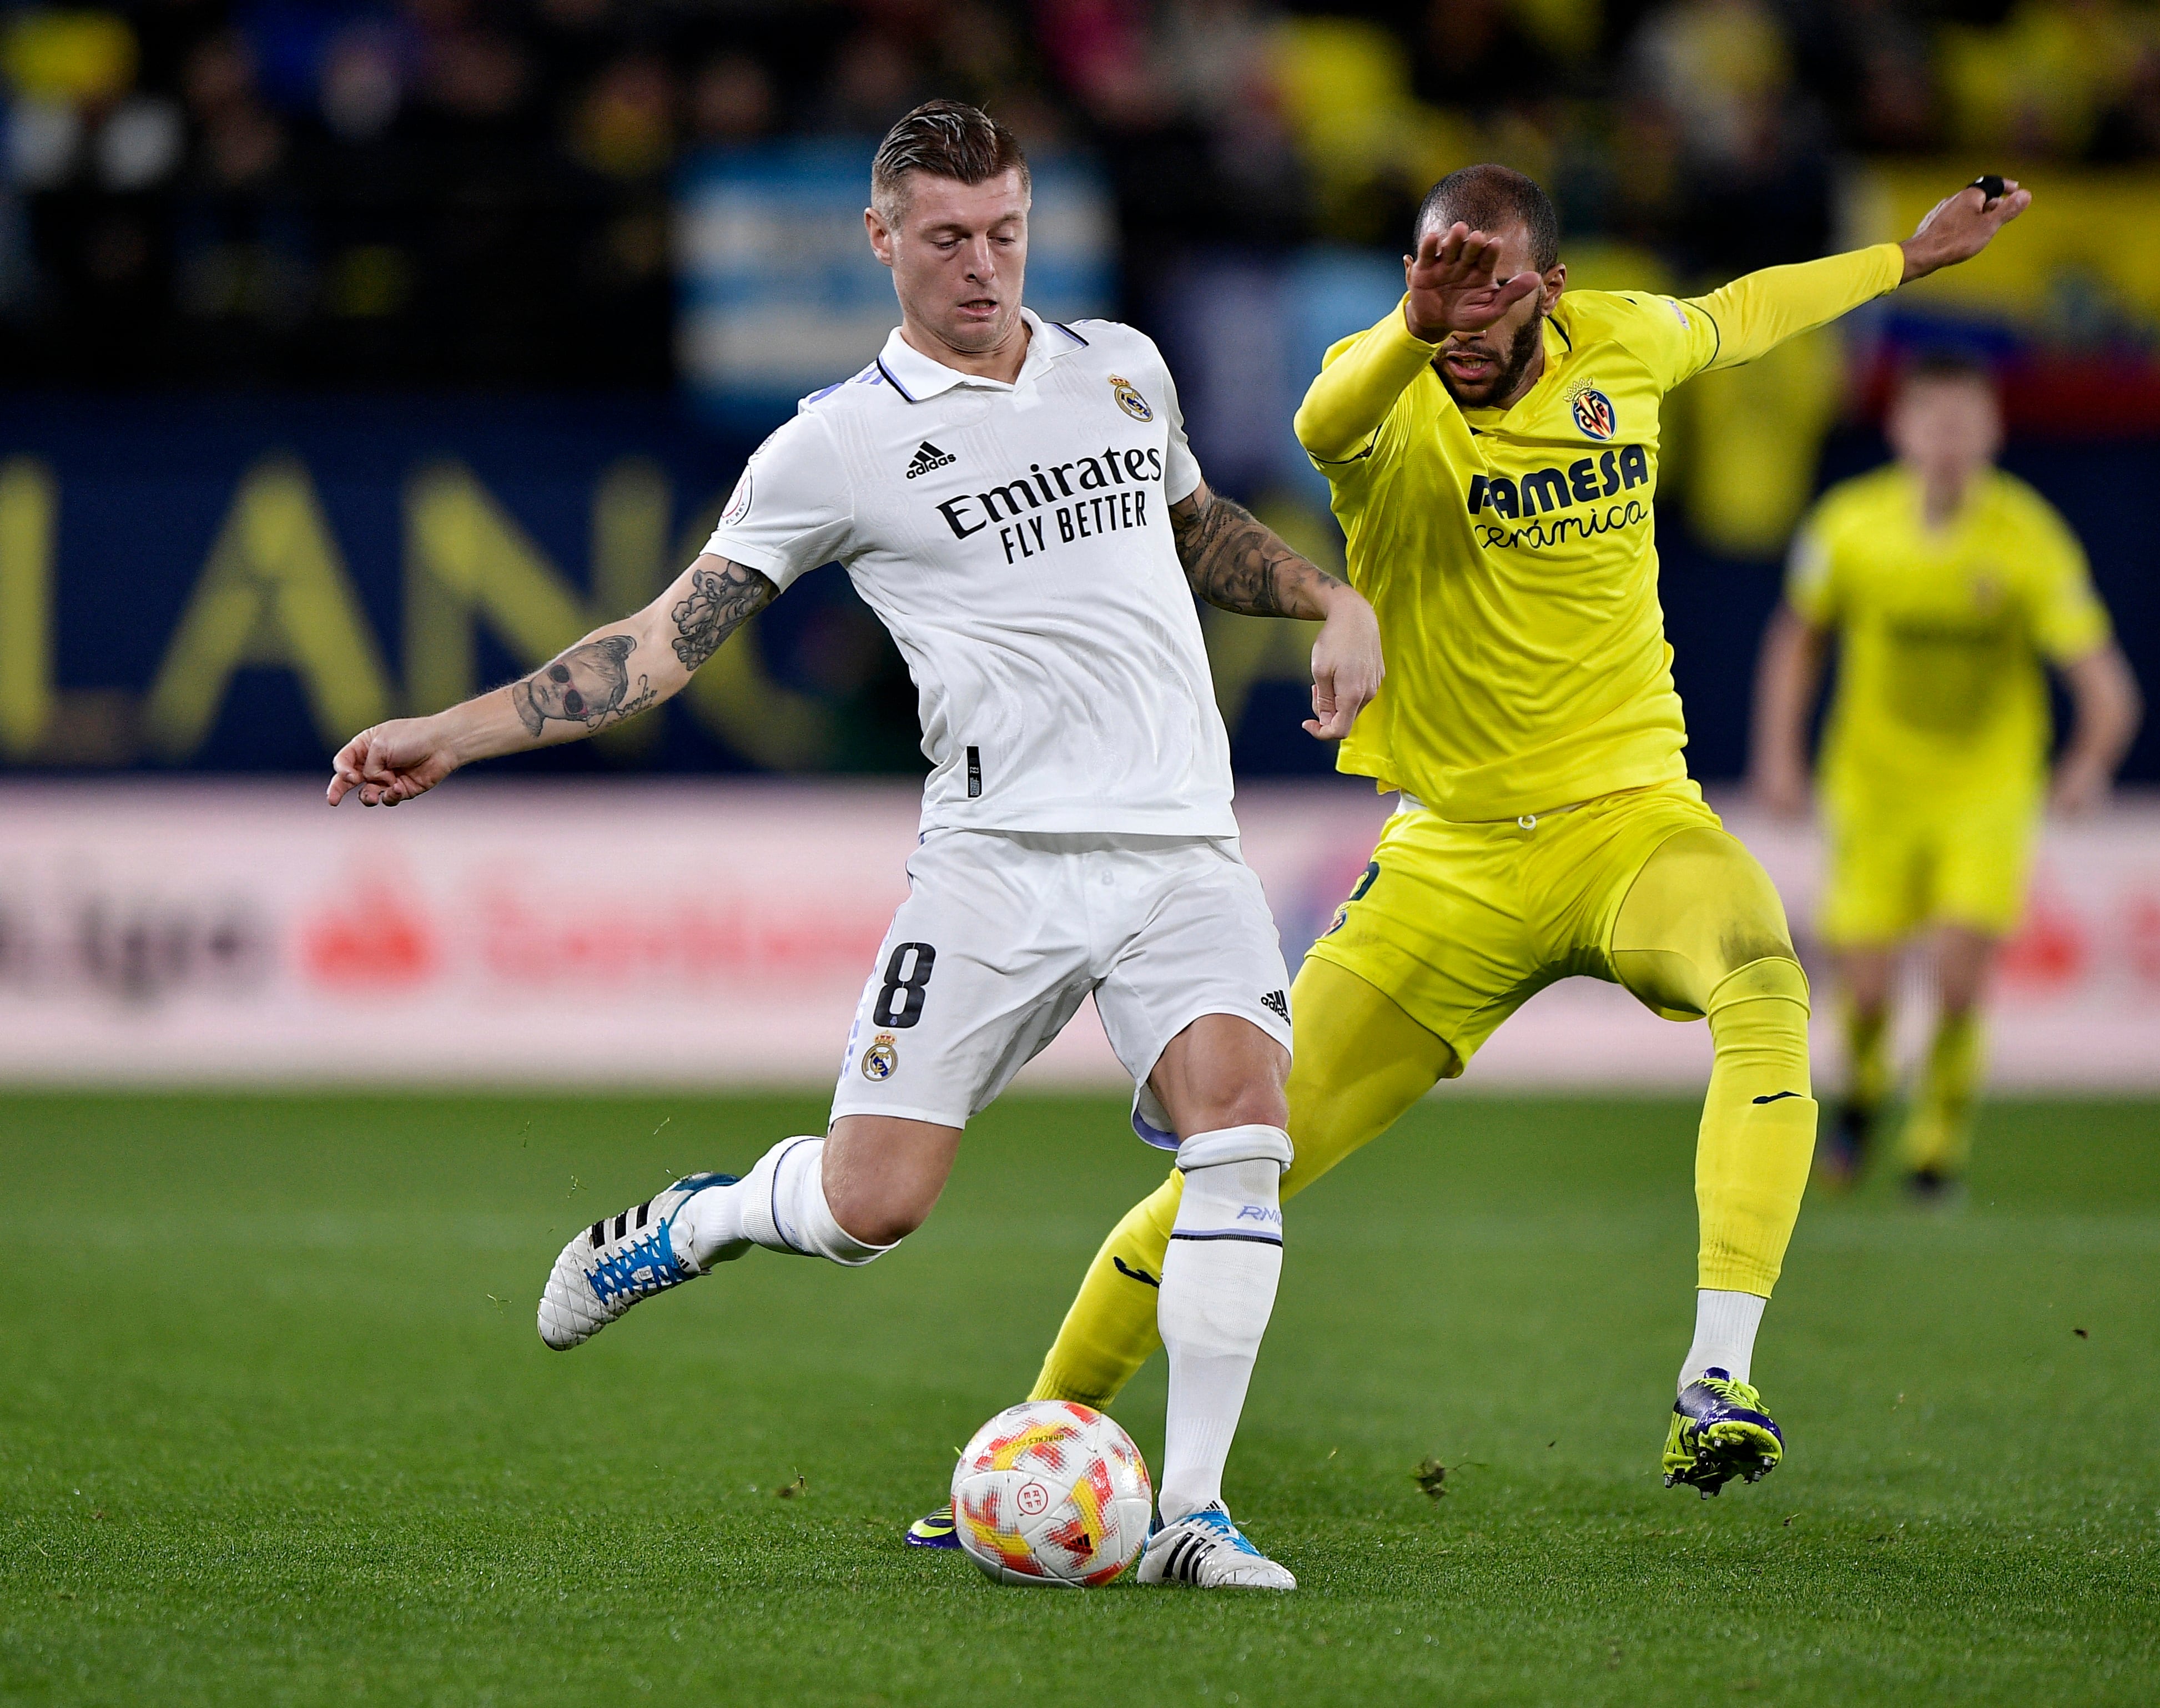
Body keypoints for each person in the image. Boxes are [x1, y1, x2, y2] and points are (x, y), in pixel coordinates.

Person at [324, 99, 1384, 1593]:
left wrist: (1333, 598)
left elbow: (1200, 529)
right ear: (880, 237)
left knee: (1243, 1131)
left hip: (1180, 850)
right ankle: (698, 1219)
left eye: (1004, 232)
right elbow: (660, 644)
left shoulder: (1121, 367)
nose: (981, 265)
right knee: (867, 1206)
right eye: (946, 238)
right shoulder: (836, 444)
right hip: (997, 862)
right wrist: (457, 729)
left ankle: (1194, 1514)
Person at [904, 164, 2030, 1547]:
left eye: (1487, 286)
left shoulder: (1625, 342)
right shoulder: (1385, 392)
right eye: (1435, 278)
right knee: (1233, 1164)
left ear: (1549, 288)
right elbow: (1320, 419)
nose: (1461, 316)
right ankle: (1029, 1446)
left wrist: (1904, 260)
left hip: (1632, 823)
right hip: (1448, 866)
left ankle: (1716, 1374)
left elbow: (1746, 312)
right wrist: (1413, 325)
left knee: (1762, 983)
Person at [1750, 350, 2140, 1200]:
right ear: (1901, 428)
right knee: (1867, 989)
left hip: (1985, 783)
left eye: (1965, 422)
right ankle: (1861, 1094)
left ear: (1993, 431)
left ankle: (1934, 1147)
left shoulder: (2028, 537)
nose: (1948, 440)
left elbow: (2106, 684)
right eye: (1932, 419)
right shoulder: (1848, 526)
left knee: (1959, 975)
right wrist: (1778, 754)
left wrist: (2088, 762)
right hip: (1872, 780)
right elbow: (1796, 639)